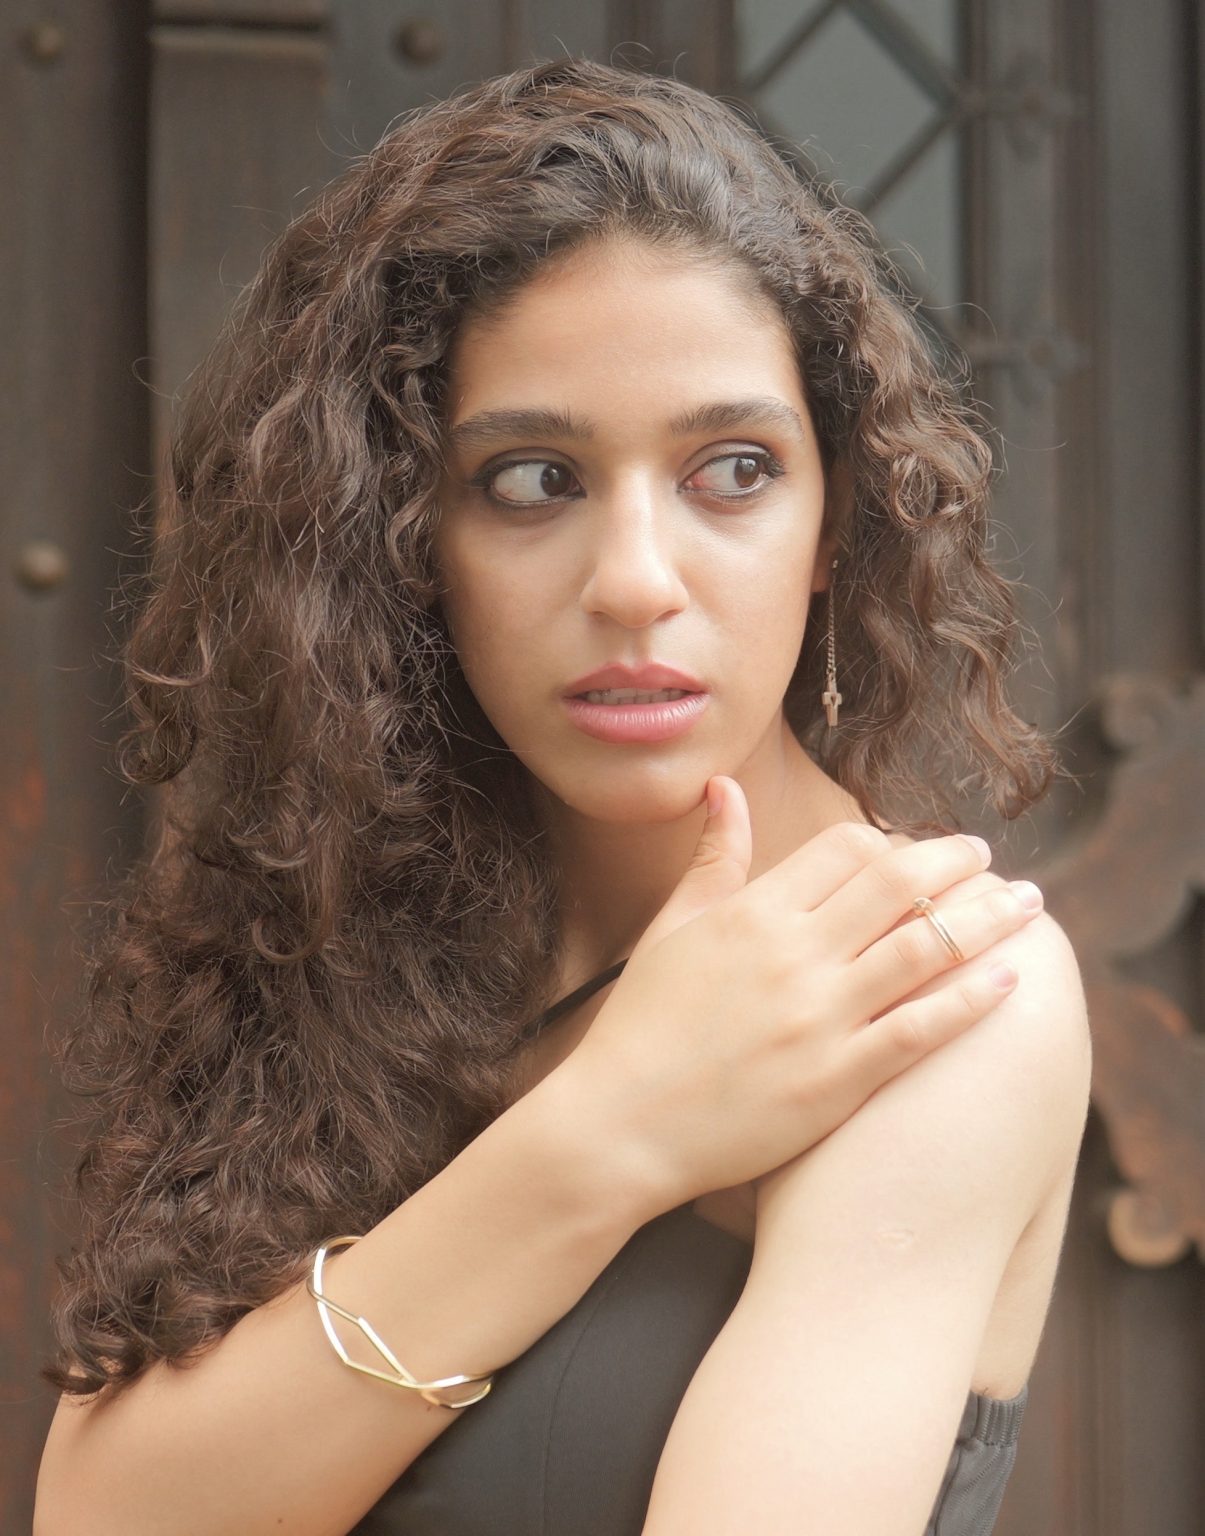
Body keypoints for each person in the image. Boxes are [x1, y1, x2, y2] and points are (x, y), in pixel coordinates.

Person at [33, 56, 1091, 1536]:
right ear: (406, 538)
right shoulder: (332, 938)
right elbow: (105, 1515)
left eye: (732, 470)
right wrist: (613, 1127)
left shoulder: (936, 997)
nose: (636, 583)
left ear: (836, 521)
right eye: (532, 481)